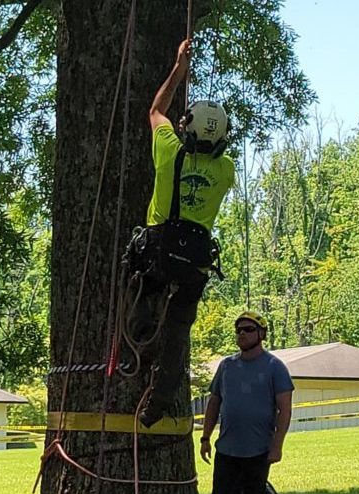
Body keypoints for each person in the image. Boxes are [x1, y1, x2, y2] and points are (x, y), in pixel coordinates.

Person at [129, 38, 235, 427]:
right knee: (179, 329)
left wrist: (179, 68)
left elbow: (156, 109)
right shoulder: (226, 171)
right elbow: (213, 150)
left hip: (158, 251)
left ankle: (137, 349)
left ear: (185, 129)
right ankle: (162, 396)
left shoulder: (169, 150)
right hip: (194, 261)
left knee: (145, 289)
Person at [200, 311, 294, 494]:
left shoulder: (275, 367)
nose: (242, 334)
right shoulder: (226, 366)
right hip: (226, 450)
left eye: (249, 329)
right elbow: (214, 402)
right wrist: (205, 438)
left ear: (262, 334)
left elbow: (284, 410)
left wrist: (277, 446)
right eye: (238, 330)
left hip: (258, 451)